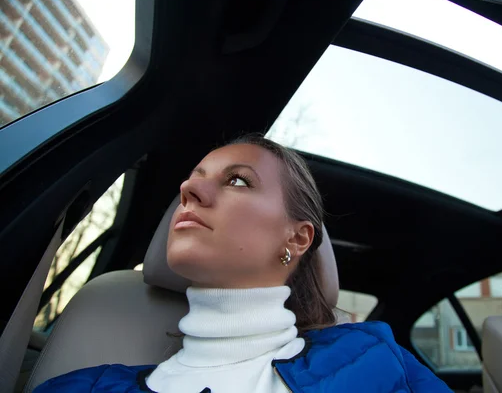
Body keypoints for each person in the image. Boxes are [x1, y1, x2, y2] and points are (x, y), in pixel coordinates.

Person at [33, 135, 451, 392]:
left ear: (297, 238)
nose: (189, 187)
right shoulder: (80, 387)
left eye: (237, 180)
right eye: (195, 175)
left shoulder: (375, 356)